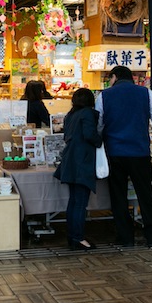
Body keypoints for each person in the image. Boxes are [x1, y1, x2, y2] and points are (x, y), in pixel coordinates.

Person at [96, 65, 152, 248]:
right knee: (145, 193)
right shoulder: (146, 93)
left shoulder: (104, 96)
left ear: (114, 77)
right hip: (140, 152)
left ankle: (125, 237)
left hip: (115, 153)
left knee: (118, 196)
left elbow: (99, 124)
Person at [53, 88, 103, 250]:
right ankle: (78, 238)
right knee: (80, 202)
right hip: (83, 161)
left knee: (74, 201)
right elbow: (90, 135)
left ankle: (73, 236)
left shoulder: (70, 115)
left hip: (70, 160)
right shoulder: (88, 114)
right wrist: (99, 141)